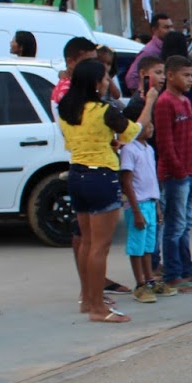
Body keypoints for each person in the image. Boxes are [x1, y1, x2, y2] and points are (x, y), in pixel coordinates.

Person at [60, 57, 149, 322]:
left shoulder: (67, 107)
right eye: (106, 77)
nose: (108, 82)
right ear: (96, 82)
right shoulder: (103, 110)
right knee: (100, 246)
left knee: (87, 241)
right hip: (101, 176)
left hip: (77, 173)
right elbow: (133, 132)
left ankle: (88, 299)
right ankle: (98, 307)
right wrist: (150, 100)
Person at [154, 55, 192, 295]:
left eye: (191, 75)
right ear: (170, 75)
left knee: (186, 224)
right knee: (175, 226)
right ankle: (172, 275)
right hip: (177, 175)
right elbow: (165, 143)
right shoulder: (165, 102)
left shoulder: (185, 101)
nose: (190, 80)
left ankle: (187, 269)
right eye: (185, 75)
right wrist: (179, 170)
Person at [118, 98, 161, 304]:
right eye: (147, 123)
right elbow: (126, 181)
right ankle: (140, 284)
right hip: (138, 204)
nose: (151, 127)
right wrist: (135, 211)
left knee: (148, 246)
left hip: (150, 202)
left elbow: (152, 179)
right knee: (137, 246)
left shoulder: (148, 148)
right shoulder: (129, 149)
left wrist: (157, 206)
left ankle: (150, 279)